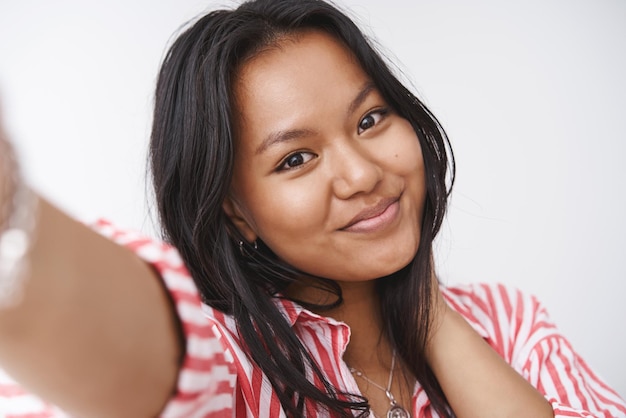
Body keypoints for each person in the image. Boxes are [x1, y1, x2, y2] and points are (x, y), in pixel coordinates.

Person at [0, 0, 624, 417]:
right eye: (295, 159)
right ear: (236, 213)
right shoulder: (236, 359)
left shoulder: (509, 323)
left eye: (370, 118)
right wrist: (12, 211)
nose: (362, 174)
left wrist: (428, 312)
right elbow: (135, 362)